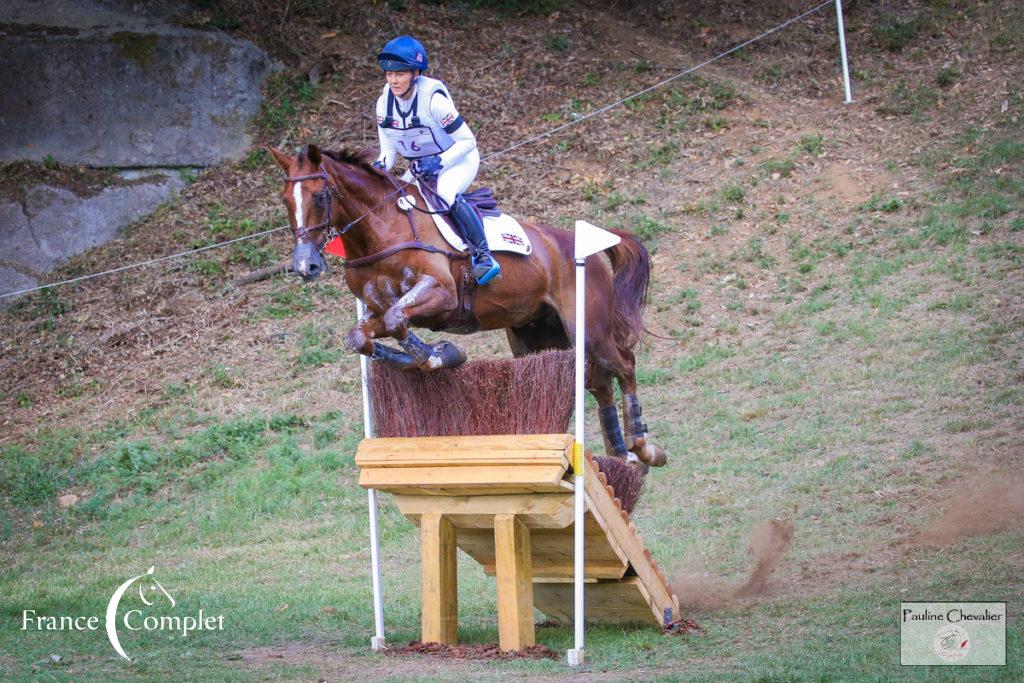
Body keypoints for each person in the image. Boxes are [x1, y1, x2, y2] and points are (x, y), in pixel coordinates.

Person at [372, 35, 500, 285]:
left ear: (415, 73)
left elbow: (468, 141)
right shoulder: (383, 105)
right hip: (420, 167)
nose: (393, 80)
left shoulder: (434, 101)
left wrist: (439, 161)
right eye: (389, 74)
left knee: (445, 193)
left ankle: (484, 255)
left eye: (400, 73)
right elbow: (388, 153)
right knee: (395, 200)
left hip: (457, 158)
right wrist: (379, 167)